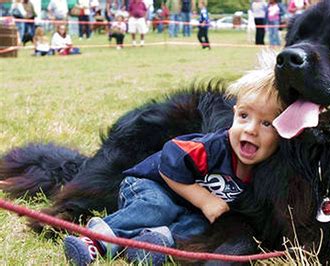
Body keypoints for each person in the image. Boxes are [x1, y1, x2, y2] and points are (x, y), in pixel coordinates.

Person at [62, 54, 284, 265]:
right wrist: (205, 201)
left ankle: (151, 242)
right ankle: (97, 239)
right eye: (244, 116)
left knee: (198, 224)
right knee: (158, 208)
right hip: (151, 185)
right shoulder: (214, 147)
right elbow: (170, 160)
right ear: (234, 113)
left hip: (185, 202)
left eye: (266, 124)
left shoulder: (265, 169)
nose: (251, 130)